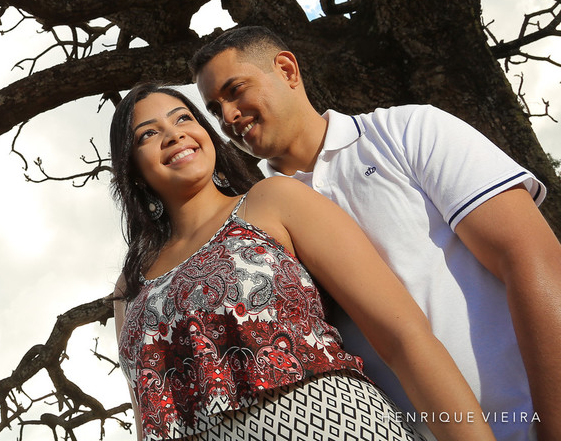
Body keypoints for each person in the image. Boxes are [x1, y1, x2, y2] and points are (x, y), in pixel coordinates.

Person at [192, 26, 561, 441]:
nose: (228, 117)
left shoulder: (407, 130)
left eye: (236, 90)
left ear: (287, 70)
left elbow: (530, 258)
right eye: (214, 109)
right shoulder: (249, 236)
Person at [110, 83, 493, 441]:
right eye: (148, 134)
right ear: (133, 168)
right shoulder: (130, 286)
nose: (174, 135)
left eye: (183, 118)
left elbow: (403, 336)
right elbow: (148, 418)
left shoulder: (272, 200)